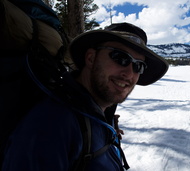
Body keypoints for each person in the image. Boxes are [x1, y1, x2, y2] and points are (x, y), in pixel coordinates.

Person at [2, 22, 169, 171]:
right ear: (91, 58)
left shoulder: (97, 112)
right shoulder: (51, 126)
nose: (129, 73)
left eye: (139, 66)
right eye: (120, 58)